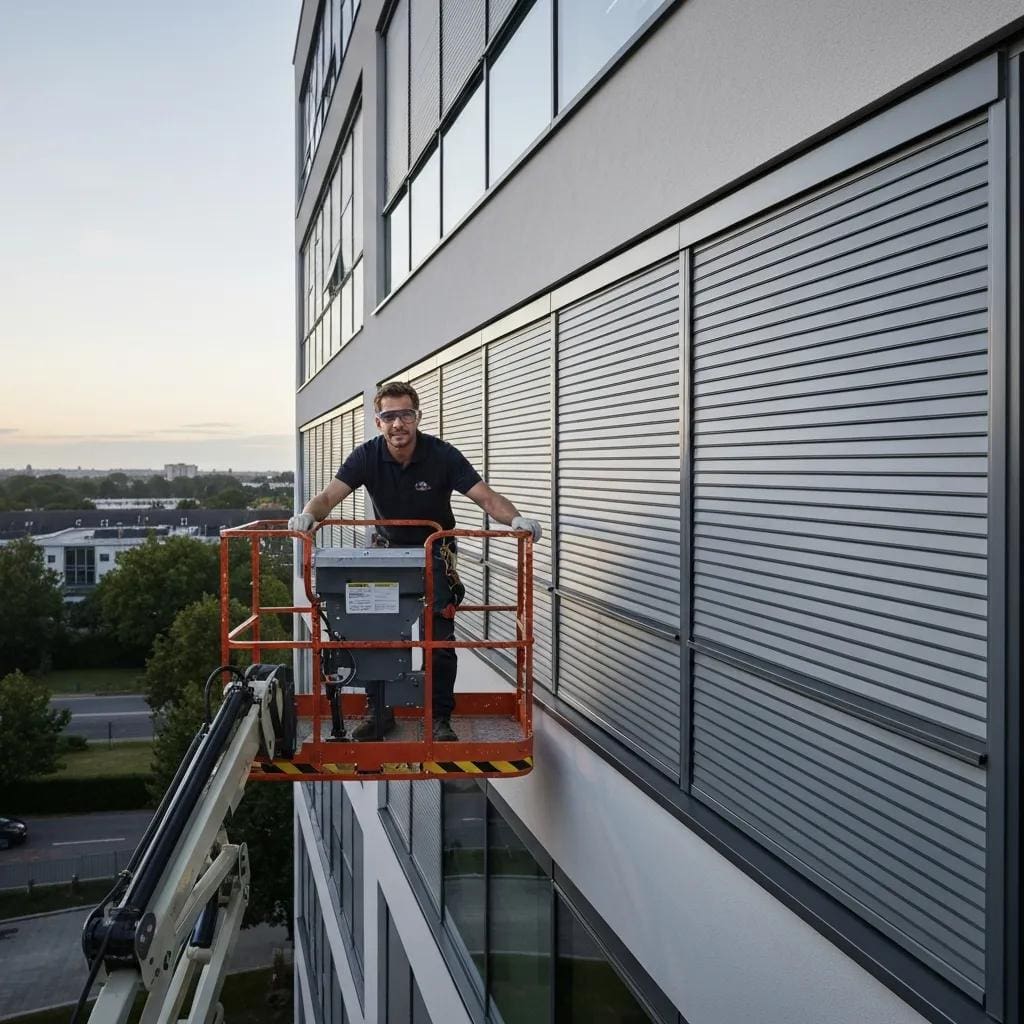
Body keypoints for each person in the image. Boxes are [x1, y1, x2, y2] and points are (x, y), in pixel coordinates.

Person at [288, 380, 542, 742]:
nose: (398, 424)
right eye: (389, 416)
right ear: (378, 422)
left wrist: (515, 520)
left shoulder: (441, 455)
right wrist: (308, 516)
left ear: (417, 416)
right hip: (388, 554)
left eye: (405, 415)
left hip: (434, 552)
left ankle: (438, 718)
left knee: (439, 636)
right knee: (377, 631)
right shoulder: (367, 456)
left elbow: (485, 497)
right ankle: (380, 714)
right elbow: (329, 496)